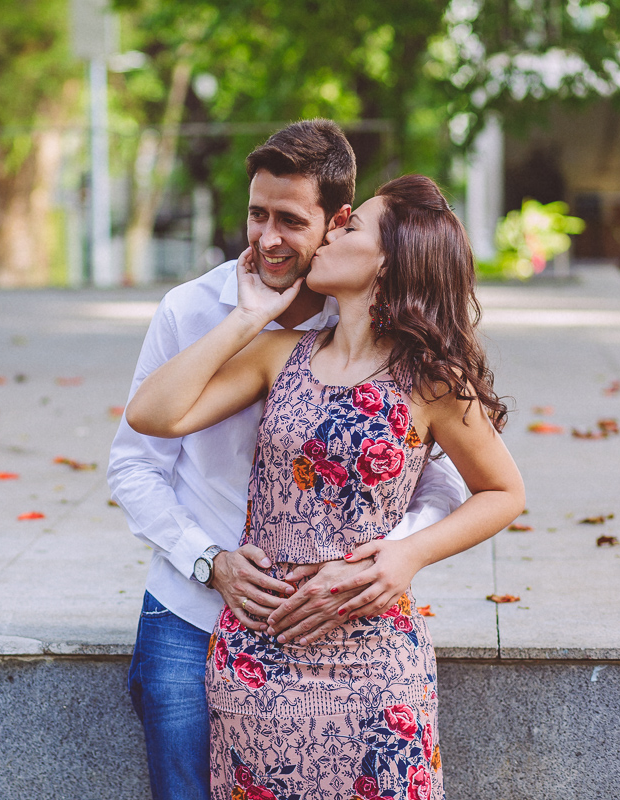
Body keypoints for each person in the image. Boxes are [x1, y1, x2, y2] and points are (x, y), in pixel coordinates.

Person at [124, 173, 525, 798]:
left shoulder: (433, 380)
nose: (332, 234)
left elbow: (503, 492)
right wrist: (249, 317)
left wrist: (408, 554)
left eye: (352, 226)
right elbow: (152, 415)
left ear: (389, 261)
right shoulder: (277, 352)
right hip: (260, 654)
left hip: (375, 661)